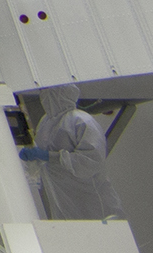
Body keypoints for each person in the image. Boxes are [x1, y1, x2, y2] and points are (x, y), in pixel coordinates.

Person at [25, 82, 122, 219]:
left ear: (60, 93)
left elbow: (91, 162)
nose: (44, 96)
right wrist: (31, 157)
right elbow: (40, 153)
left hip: (90, 196)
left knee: (100, 232)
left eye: (47, 91)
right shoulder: (46, 122)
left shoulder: (82, 120)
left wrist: (49, 156)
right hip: (61, 196)